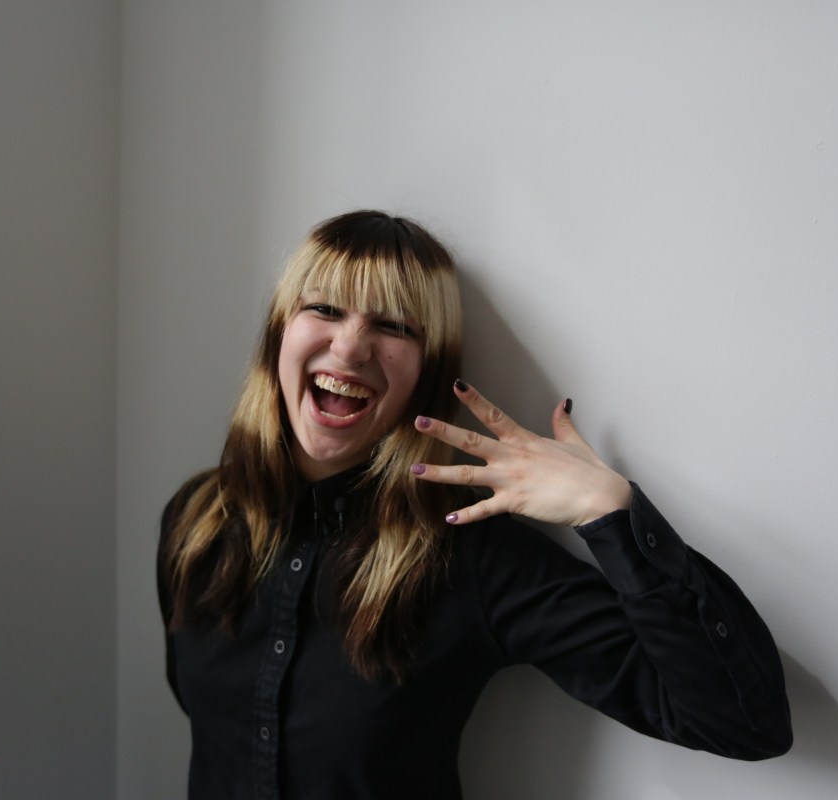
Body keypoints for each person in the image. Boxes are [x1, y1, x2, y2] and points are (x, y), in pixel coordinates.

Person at [157, 210, 792, 800]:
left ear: (428, 370)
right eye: (323, 308)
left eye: (394, 325)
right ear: (280, 331)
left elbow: (741, 723)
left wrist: (612, 513)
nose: (349, 348)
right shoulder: (194, 521)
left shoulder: (472, 555)